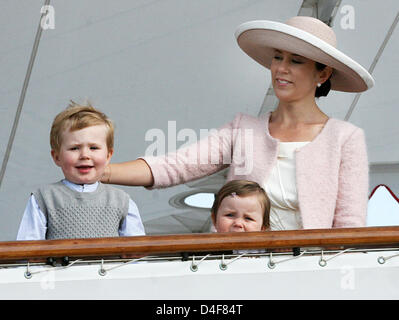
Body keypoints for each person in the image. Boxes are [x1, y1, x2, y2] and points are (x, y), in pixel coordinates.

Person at [101, 16, 374, 230]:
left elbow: (350, 226)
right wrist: (102, 172)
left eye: (296, 61)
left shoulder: (345, 138)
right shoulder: (243, 129)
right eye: (278, 56)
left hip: (309, 273)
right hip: (240, 268)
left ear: (323, 73)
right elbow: (175, 166)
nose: (281, 68)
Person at [17, 102, 145, 240]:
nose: (85, 155)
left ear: (108, 156)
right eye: (74, 148)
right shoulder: (43, 198)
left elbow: (137, 254)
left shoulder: (122, 201)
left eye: (94, 148)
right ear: (56, 157)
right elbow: (28, 250)